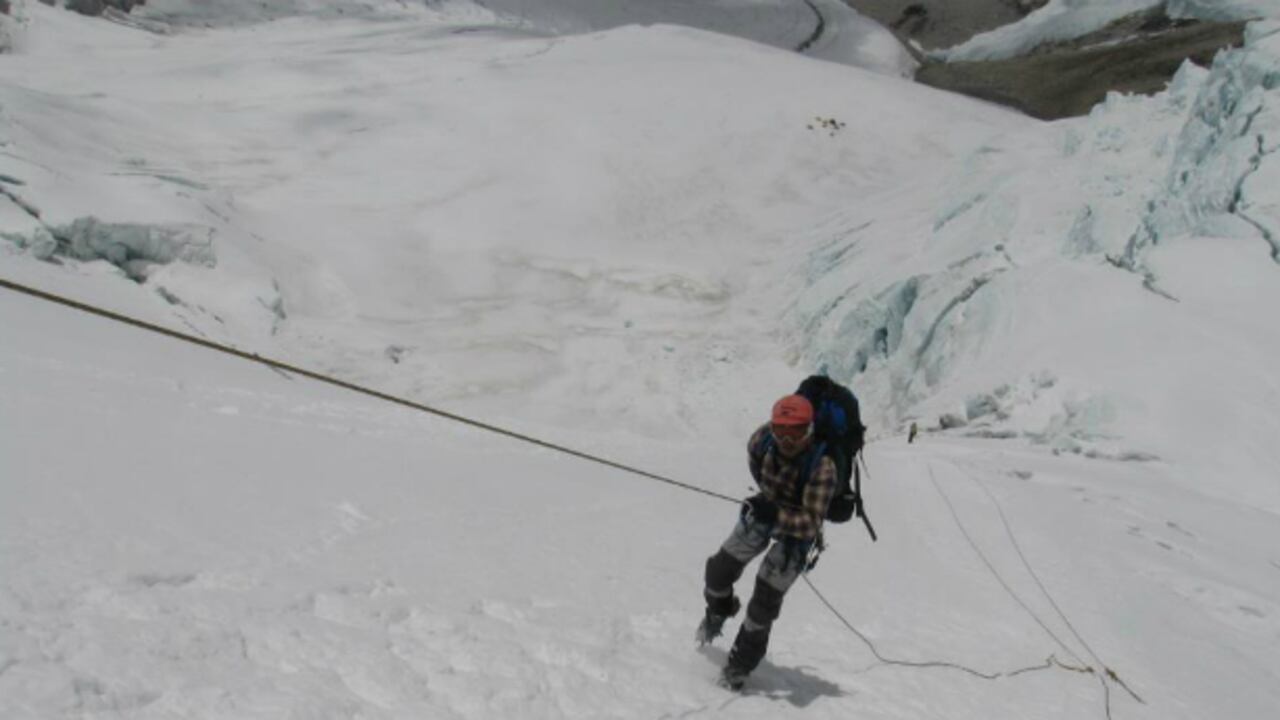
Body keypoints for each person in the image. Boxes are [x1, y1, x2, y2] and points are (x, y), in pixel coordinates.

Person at [697, 394, 837, 690]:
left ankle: (739, 665)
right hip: (767, 508)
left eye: (796, 433)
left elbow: (811, 522)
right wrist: (767, 502)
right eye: (781, 432)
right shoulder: (761, 441)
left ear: (809, 430)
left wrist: (777, 514)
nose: (787, 441)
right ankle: (719, 609)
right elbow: (755, 464)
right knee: (719, 571)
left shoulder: (823, 467)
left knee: (764, 603)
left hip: (797, 533)